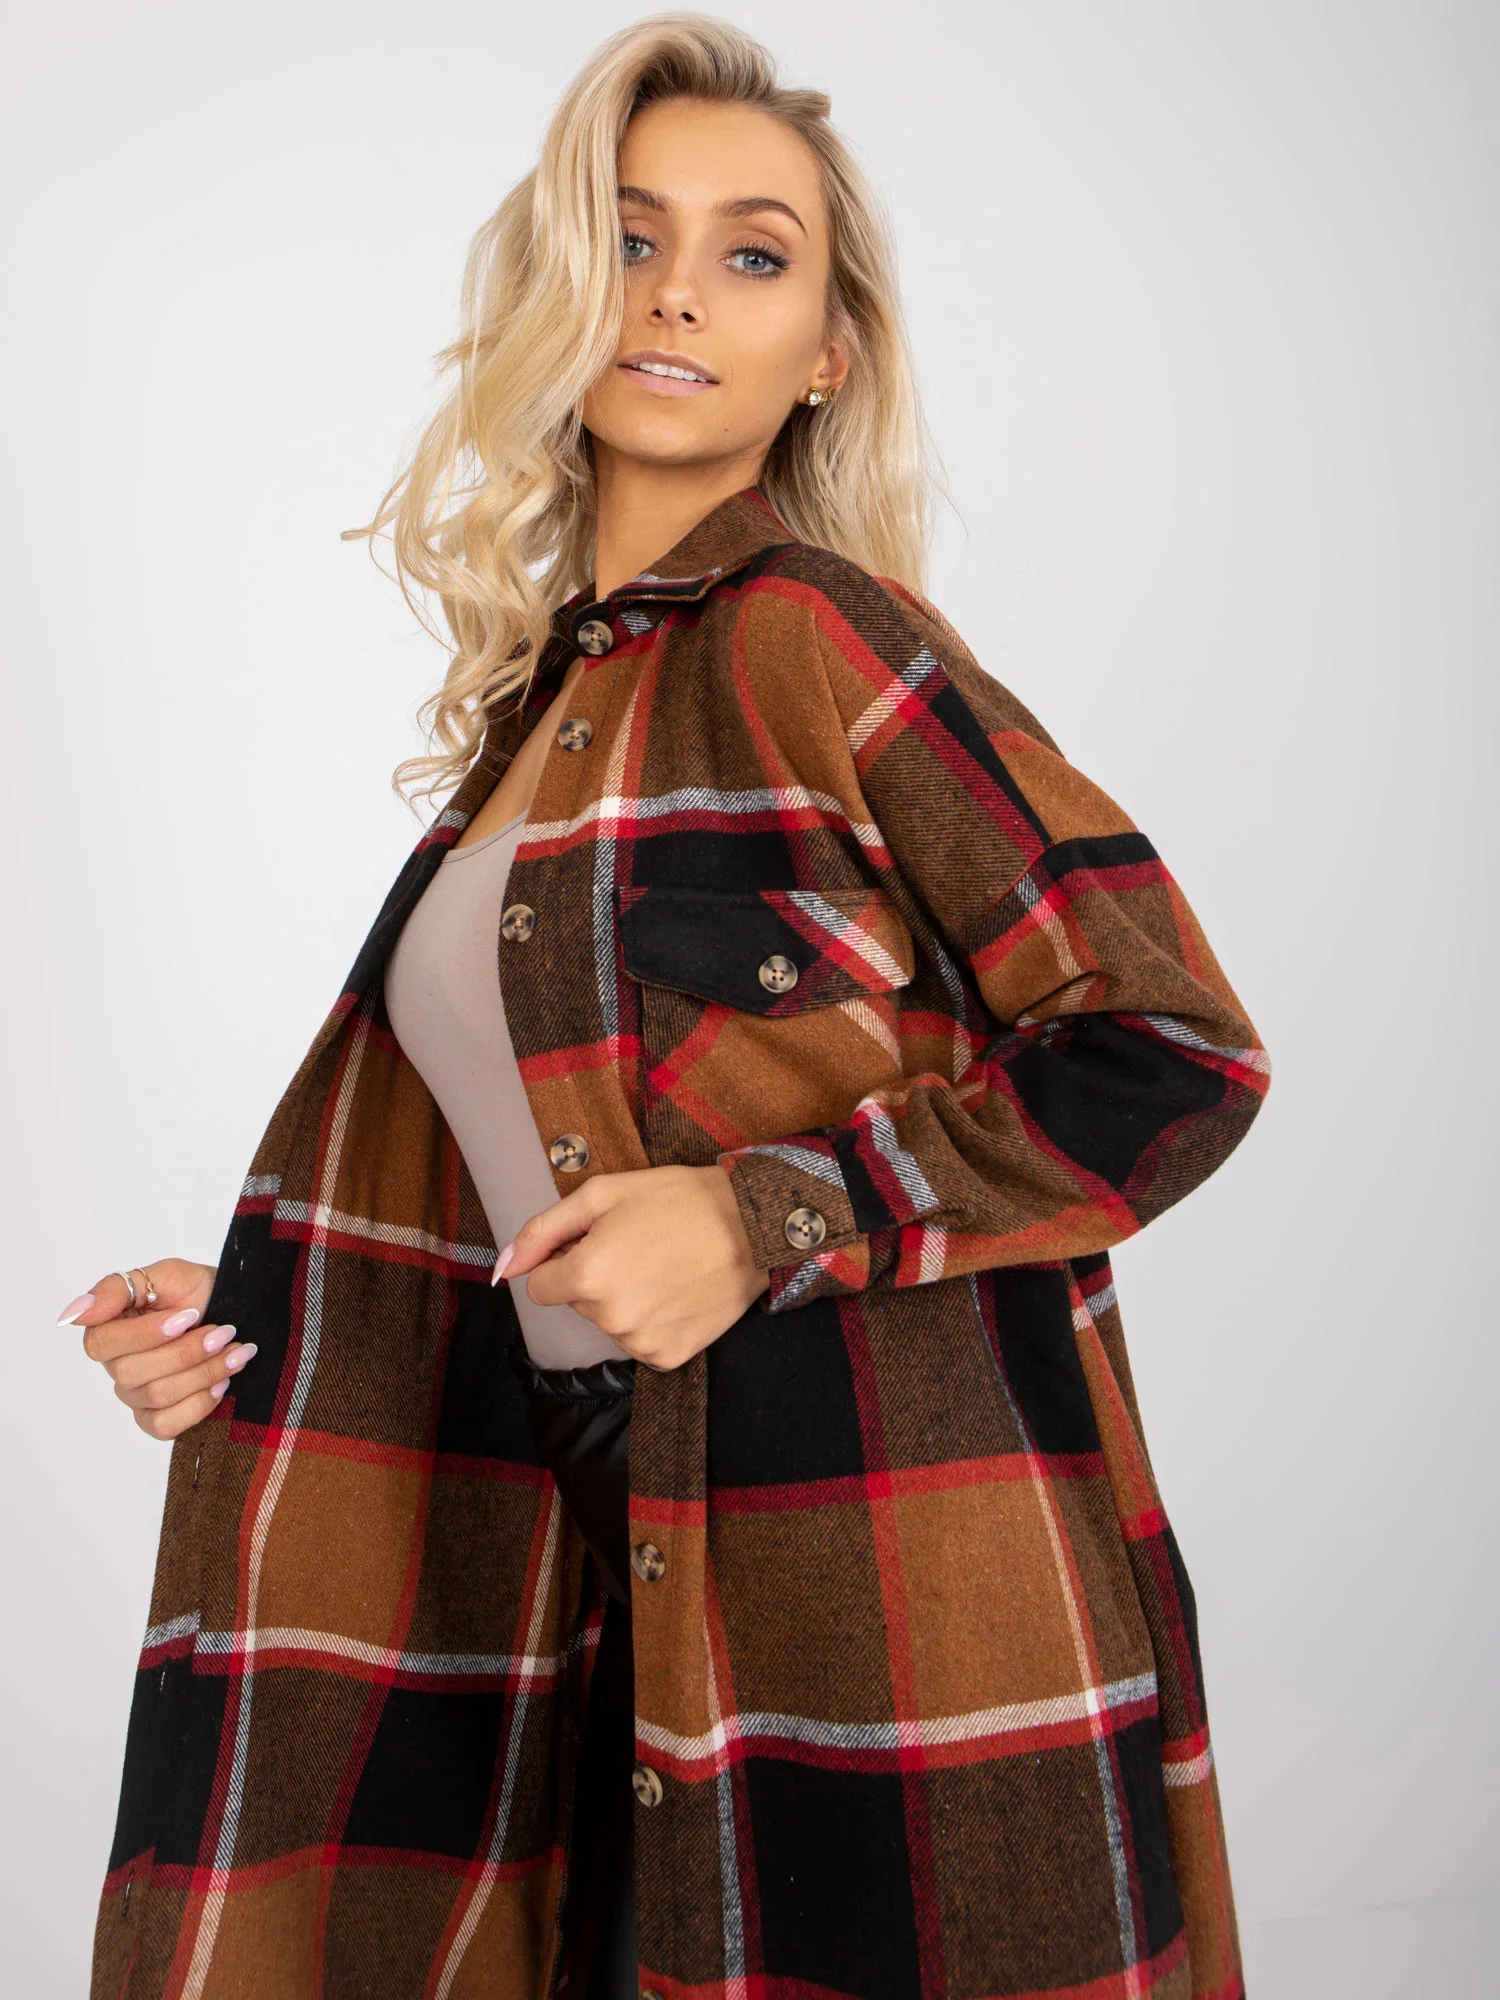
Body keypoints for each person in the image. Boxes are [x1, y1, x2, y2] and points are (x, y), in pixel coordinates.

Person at [70, 16, 1271, 2000]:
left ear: (830, 353)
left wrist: (760, 1216)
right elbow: (530, 1199)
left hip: (871, 1572)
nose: (679, 292)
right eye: (630, 239)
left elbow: (1172, 1048)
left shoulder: (815, 636)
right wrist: (258, 1328)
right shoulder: (548, 718)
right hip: (569, 1558)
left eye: (753, 252)